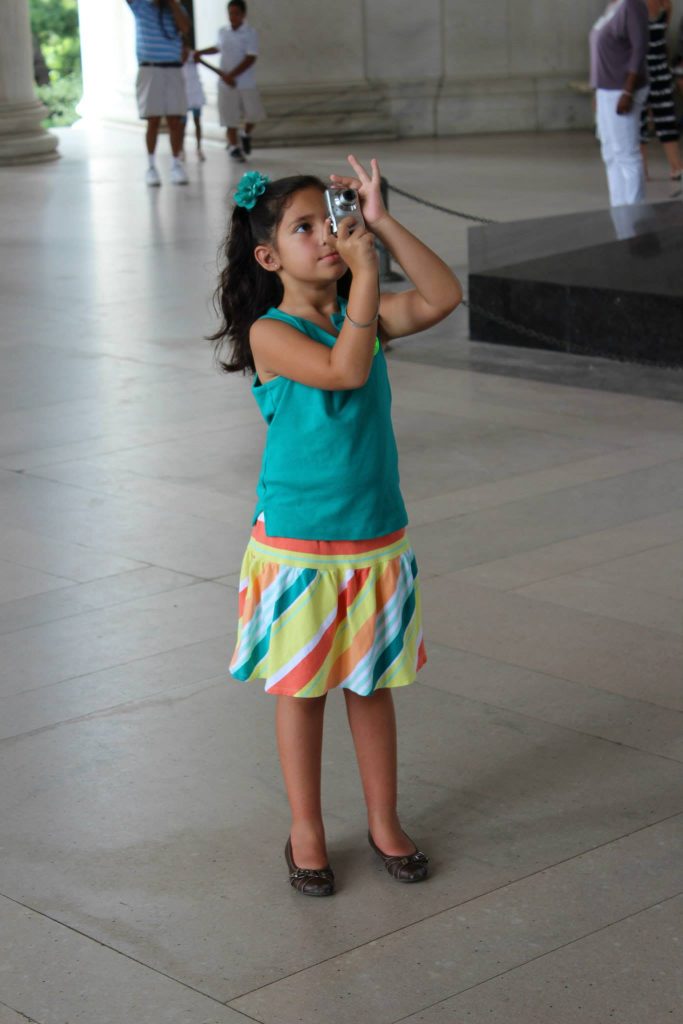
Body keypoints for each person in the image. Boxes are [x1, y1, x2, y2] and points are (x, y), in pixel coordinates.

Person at [210, 156, 462, 896]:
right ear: (268, 256)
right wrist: (362, 283)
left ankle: (383, 819)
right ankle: (307, 830)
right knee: (303, 691)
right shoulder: (270, 334)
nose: (326, 235)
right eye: (303, 228)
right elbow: (347, 370)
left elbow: (444, 296)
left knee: (370, 685)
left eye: (331, 218)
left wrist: (382, 223)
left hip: (374, 534)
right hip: (296, 544)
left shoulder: (366, 311)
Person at [590, 0, 650, 205]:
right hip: (605, 90)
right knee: (610, 153)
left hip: (621, 90)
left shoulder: (632, 5)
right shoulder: (612, 6)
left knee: (627, 155)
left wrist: (628, 91)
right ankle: (619, 209)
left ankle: (635, 214)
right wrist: (597, 92)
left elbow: (640, 47)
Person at [125, 0, 190, 187]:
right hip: (149, 68)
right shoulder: (140, 5)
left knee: (175, 120)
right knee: (152, 120)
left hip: (173, 68)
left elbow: (185, 27)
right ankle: (151, 167)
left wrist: (172, 4)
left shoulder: (176, 9)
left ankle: (176, 164)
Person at [194, 0, 265, 163]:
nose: (232, 17)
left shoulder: (250, 33)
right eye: (230, 13)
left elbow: (250, 57)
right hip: (226, 84)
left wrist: (232, 75)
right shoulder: (223, 31)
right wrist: (201, 52)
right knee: (229, 117)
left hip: (245, 82)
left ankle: (245, 134)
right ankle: (233, 146)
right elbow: (218, 47)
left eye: (236, 13)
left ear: (243, 15)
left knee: (253, 114)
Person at [639, 0, 683, 180]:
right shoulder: (631, 5)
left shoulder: (666, 5)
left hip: (660, 69)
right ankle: (642, 171)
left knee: (666, 117)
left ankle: (676, 167)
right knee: (639, 121)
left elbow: (661, 35)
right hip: (638, 71)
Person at [181, 46, 207, 162]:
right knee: (182, 125)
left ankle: (199, 148)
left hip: (195, 92)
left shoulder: (194, 54)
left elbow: (200, 61)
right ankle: (181, 149)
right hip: (183, 93)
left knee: (197, 122)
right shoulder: (176, 55)